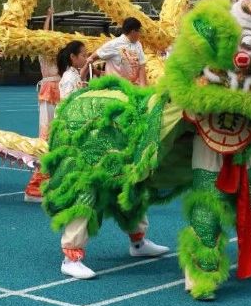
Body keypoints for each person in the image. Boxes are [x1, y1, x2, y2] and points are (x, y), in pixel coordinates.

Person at [52, 43, 166, 280]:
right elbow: (69, 110)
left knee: (129, 187)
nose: (86, 57)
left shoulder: (83, 76)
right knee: (86, 192)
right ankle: (71, 257)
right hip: (84, 146)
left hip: (111, 141)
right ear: (72, 57)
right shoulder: (69, 79)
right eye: (82, 54)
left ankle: (138, 241)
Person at [26, 9, 61, 202]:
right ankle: (40, 177)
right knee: (46, 131)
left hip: (59, 90)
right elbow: (44, 35)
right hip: (48, 89)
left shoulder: (57, 54)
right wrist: (47, 17)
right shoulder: (43, 52)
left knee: (57, 130)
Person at [89, 17, 147, 85]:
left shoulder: (138, 45)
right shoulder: (114, 44)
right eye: (139, 31)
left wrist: (143, 88)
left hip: (133, 87)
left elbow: (141, 66)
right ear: (133, 31)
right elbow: (92, 57)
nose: (140, 34)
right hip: (115, 87)